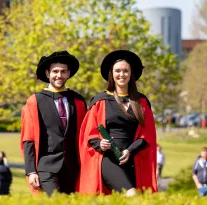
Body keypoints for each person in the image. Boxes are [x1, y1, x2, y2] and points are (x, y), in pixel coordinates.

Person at [77, 50, 157, 197]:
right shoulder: (100, 101)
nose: (122, 74)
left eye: (126, 71)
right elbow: (89, 133)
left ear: (131, 74)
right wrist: (100, 143)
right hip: (108, 159)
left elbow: (147, 135)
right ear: (111, 74)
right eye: (118, 71)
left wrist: (130, 151)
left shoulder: (141, 102)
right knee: (132, 195)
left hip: (132, 159)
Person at [20, 50, 87, 196]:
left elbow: (84, 136)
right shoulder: (35, 101)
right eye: (55, 71)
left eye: (63, 71)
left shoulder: (78, 101)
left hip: (73, 167)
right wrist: (31, 171)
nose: (59, 75)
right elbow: (28, 138)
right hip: (47, 166)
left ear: (69, 74)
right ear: (47, 73)